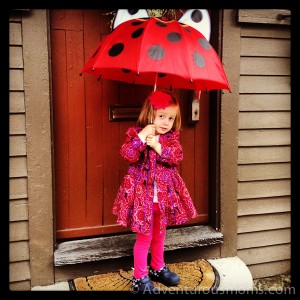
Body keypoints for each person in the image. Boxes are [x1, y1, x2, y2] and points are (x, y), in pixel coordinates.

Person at [112, 90, 198, 292]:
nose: (166, 122)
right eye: (161, 116)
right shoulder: (137, 134)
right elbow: (128, 154)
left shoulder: (171, 139)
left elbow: (176, 158)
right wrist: (142, 138)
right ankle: (139, 277)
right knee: (145, 237)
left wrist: (158, 147)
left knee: (160, 234)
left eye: (170, 118)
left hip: (164, 196)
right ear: (150, 114)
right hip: (144, 198)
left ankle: (157, 267)